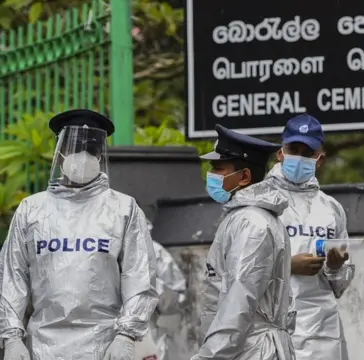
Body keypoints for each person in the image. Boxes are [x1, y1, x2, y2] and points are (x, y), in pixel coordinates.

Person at [0, 109, 158, 360]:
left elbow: (140, 277)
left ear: (101, 153)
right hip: (43, 347)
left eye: (92, 148)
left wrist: (126, 336)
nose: (83, 156)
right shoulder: (32, 210)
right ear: (60, 151)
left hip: (106, 346)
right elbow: (11, 276)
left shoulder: (123, 209)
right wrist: (11, 337)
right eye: (75, 147)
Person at [192, 124, 295, 360]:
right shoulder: (243, 217)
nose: (212, 175)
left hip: (251, 351)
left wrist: (208, 356)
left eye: (219, 168)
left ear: (244, 176)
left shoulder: (252, 224)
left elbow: (239, 300)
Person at [264, 114, 353, 360]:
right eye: (294, 149)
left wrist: (335, 268)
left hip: (321, 336)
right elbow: (238, 268)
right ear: (280, 153)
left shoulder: (331, 208)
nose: (300, 157)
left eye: (308, 152)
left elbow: (339, 286)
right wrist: (287, 264)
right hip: (271, 329)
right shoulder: (261, 202)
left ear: (319, 159)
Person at [143, 216, 187, 360]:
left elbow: (177, 293)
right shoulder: (99, 249)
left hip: (146, 334)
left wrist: (152, 287)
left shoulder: (153, 251)